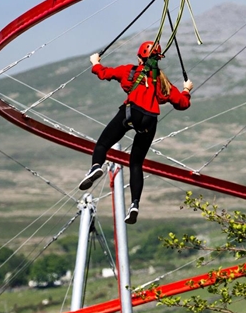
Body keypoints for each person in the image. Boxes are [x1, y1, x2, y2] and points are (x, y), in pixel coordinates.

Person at [79, 41, 193, 224]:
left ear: (140, 58)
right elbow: (182, 103)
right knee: (136, 163)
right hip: (150, 119)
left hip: (131, 111)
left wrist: (95, 62)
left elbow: (104, 73)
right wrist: (187, 90)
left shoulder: (129, 71)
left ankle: (96, 167)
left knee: (102, 144)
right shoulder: (162, 81)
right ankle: (134, 204)